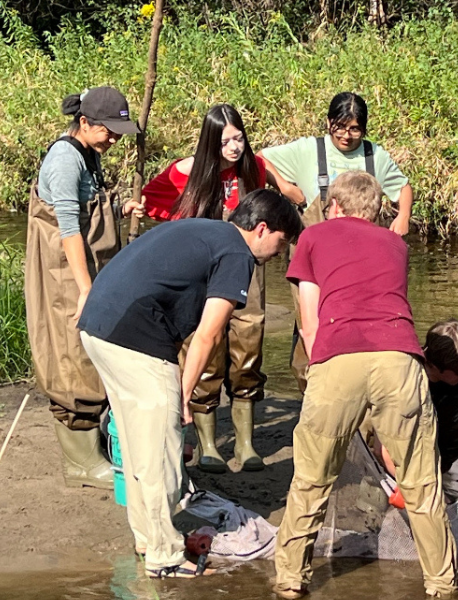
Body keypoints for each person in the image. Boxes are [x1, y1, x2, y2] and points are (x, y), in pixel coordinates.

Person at [78, 190, 303, 578]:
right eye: (281, 243)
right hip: (136, 336)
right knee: (162, 450)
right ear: (262, 228)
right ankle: (164, 557)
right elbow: (208, 335)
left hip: (98, 327)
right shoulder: (237, 253)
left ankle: (148, 539)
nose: (279, 253)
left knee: (137, 446)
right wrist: (181, 396)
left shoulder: (208, 231)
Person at [274, 171, 458, 599]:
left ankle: (290, 578)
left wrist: (319, 372)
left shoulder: (314, 237)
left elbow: (309, 320)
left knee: (312, 477)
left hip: (339, 353)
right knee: (422, 482)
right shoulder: (395, 244)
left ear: (334, 205)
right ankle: (442, 582)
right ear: (376, 211)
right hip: (399, 357)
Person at [139, 103, 297, 473]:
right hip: (204, 272)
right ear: (210, 142)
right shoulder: (186, 171)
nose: (234, 147)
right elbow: (152, 201)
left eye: (239, 138)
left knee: (248, 346)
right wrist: (142, 209)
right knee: (205, 348)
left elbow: (271, 175)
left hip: (247, 272)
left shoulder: (253, 168)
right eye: (225, 140)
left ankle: (245, 443)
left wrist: (284, 183)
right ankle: (208, 443)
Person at [25, 86, 142, 489]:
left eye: (119, 132)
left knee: (99, 349)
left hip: (89, 267)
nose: (114, 139)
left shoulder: (89, 153)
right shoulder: (63, 160)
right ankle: (80, 460)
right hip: (65, 273)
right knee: (72, 353)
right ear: (85, 123)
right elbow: (69, 231)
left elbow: (90, 204)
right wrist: (86, 289)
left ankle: (99, 442)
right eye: (108, 131)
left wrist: (118, 207)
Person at [258, 92, 413, 391]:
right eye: (340, 126)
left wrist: (403, 216)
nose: (346, 135)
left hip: (362, 263)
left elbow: (403, 187)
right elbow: (259, 159)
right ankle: (314, 395)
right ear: (329, 122)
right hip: (314, 260)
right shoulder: (307, 149)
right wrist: (286, 187)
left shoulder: (374, 156)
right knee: (310, 324)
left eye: (355, 128)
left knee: (360, 323)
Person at [373, 319, 458, 500]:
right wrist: (412, 492)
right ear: (435, 367)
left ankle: (435, 472)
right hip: (391, 442)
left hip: (431, 437)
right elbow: (380, 448)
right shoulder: (404, 374)